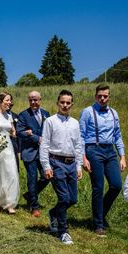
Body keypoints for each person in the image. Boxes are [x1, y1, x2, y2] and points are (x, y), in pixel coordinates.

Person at [79, 84, 127, 237]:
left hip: (110, 151)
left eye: (105, 96)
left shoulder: (114, 113)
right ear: (95, 96)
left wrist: (122, 156)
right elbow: (81, 136)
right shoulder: (87, 112)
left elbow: (118, 135)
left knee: (116, 185)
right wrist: (83, 157)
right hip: (93, 150)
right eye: (100, 96)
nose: (102, 98)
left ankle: (99, 214)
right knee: (98, 187)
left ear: (109, 97)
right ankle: (98, 224)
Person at [39, 90, 83, 244]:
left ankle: (53, 213)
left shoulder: (75, 123)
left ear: (72, 104)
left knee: (73, 199)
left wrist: (79, 166)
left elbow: (78, 145)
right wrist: (46, 166)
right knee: (64, 198)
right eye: (62, 102)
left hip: (71, 164)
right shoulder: (50, 121)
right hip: (56, 163)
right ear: (58, 103)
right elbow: (44, 144)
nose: (65, 105)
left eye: (68, 102)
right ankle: (63, 231)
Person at [17, 90, 51, 217]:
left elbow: (50, 131)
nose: (33, 102)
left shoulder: (46, 114)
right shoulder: (23, 115)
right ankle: (34, 206)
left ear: (40, 100)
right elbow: (19, 132)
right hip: (29, 152)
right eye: (31, 99)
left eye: (35, 99)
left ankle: (29, 195)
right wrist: (34, 137)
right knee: (32, 179)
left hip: (43, 153)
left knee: (47, 176)